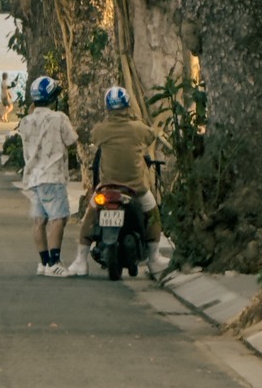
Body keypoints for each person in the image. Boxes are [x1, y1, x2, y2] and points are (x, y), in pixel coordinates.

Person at [69, 85, 169, 278]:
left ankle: (80, 260)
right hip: (136, 189)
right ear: (128, 106)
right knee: (153, 213)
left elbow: (94, 139)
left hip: (106, 189)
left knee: (89, 216)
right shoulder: (139, 129)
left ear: (107, 108)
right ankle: (154, 258)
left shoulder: (100, 130)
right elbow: (150, 136)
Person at [17, 75, 79, 276]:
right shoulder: (58, 118)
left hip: (33, 177)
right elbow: (71, 140)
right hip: (53, 175)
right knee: (58, 218)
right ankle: (54, 262)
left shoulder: (25, 121)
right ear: (52, 97)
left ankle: (43, 262)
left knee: (39, 220)